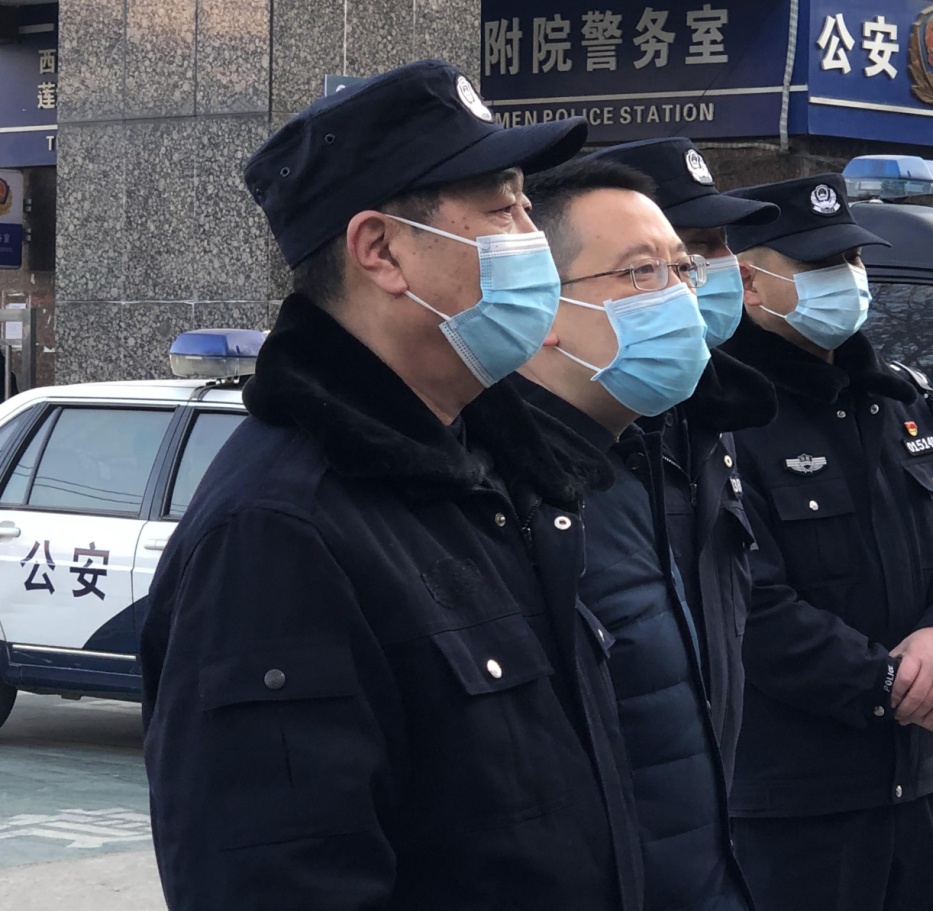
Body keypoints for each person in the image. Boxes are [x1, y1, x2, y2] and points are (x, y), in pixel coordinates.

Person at [139, 60, 641, 910]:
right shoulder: (278, 531)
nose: (533, 238)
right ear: (380, 250)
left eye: (527, 203)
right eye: (504, 209)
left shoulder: (491, 471)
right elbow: (279, 877)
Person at [718, 173, 933, 911]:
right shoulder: (725, 415)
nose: (848, 279)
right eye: (820, 264)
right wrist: (893, 688)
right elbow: (749, 605)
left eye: (852, 258)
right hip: (791, 809)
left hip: (914, 792)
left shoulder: (899, 399)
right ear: (750, 284)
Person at [515, 156, 752, 911]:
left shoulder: (634, 456)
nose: (681, 294)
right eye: (641, 272)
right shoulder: (503, 493)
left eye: (682, 269)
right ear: (542, 305)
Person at [583, 138, 779, 785]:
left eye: (717, 247)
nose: (716, 268)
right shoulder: (574, 446)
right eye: (691, 249)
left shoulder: (706, 421)